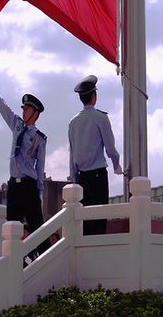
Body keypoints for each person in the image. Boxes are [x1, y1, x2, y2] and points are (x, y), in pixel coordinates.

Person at [0, 78, 49, 253]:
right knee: (11, 228)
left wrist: (40, 192)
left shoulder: (40, 138)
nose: (24, 111)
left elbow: (40, 167)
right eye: (23, 109)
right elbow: (4, 110)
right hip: (14, 186)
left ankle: (46, 258)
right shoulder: (17, 125)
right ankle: (14, 263)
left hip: (29, 186)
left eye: (27, 109)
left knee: (37, 227)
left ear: (36, 113)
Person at [68, 75, 122, 235]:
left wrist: (74, 180)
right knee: (98, 222)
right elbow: (110, 149)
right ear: (94, 96)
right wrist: (116, 165)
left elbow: (72, 155)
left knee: (84, 226)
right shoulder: (100, 117)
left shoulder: (73, 122)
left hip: (81, 178)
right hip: (98, 177)